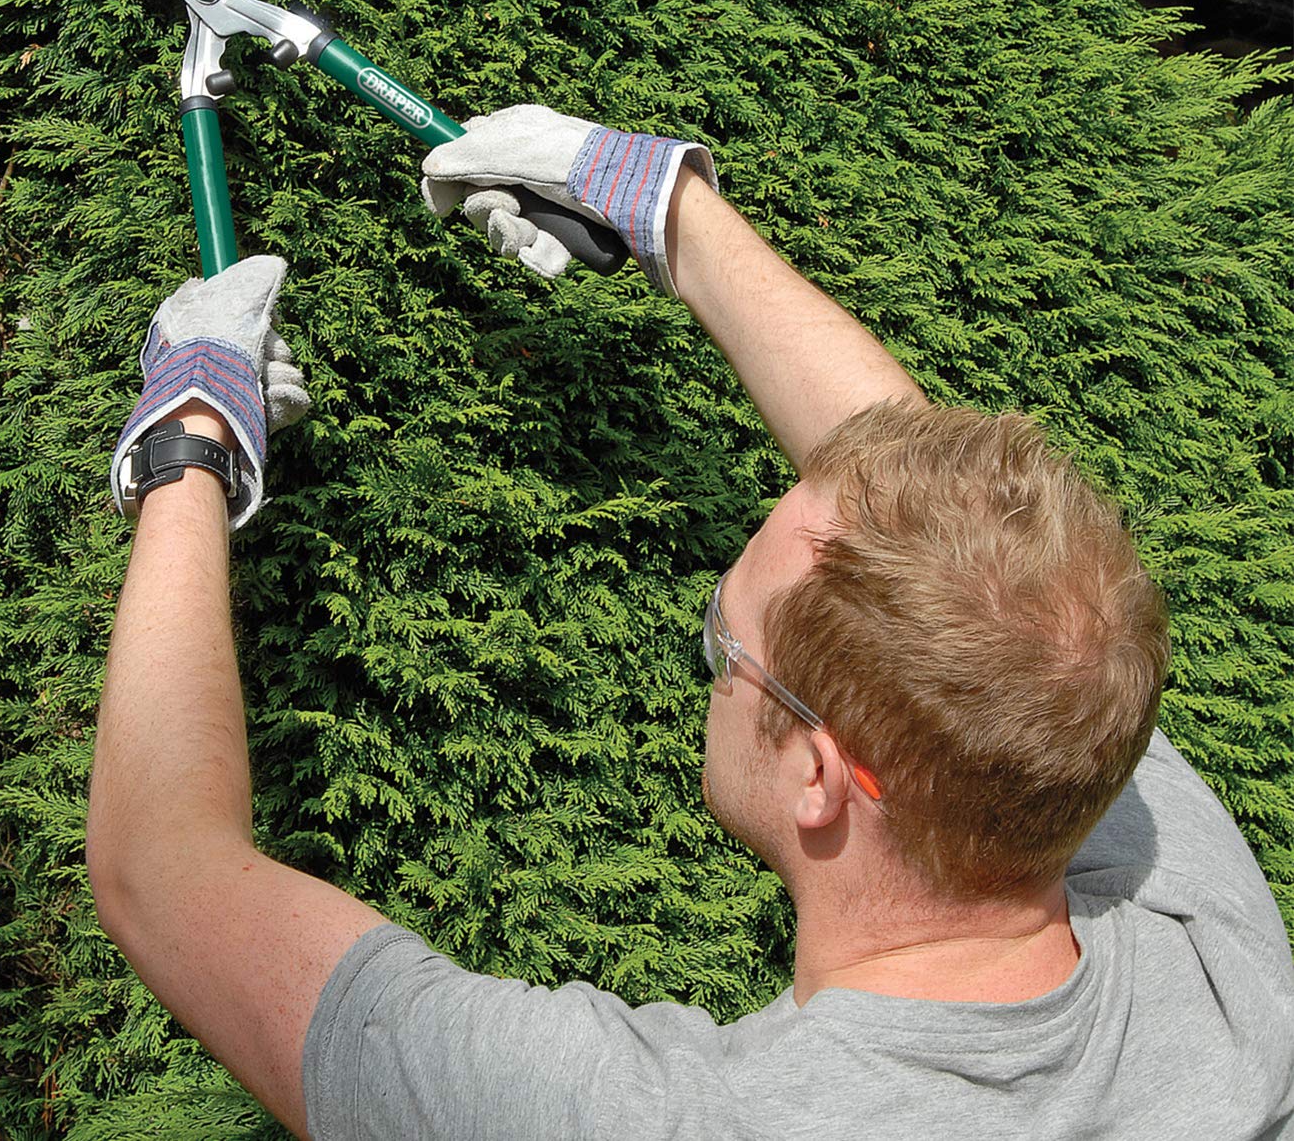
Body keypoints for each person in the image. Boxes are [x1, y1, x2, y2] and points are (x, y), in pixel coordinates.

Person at [92, 105, 1294, 1139]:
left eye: (724, 639)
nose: (713, 655)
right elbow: (953, 534)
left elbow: (164, 872)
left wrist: (187, 443)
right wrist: (664, 204)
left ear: (822, 772)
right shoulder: (1216, 969)